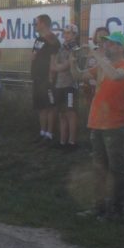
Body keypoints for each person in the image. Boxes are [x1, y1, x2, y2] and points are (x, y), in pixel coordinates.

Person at [71, 32, 124, 221]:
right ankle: (98, 207)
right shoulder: (102, 65)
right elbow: (79, 76)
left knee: (117, 169)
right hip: (97, 122)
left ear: (122, 48)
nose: (108, 46)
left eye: (113, 44)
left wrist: (95, 53)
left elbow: (115, 76)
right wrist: (72, 60)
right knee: (99, 169)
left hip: (115, 124)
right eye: (107, 44)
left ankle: (117, 209)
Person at [31, 14, 60, 145]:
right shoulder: (38, 39)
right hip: (37, 78)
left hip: (47, 78)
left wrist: (51, 77)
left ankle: (49, 134)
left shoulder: (52, 39)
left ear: (43, 23)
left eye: (36, 22)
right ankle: (42, 132)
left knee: (50, 106)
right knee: (41, 107)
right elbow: (33, 56)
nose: (34, 25)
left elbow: (54, 59)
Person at [51, 24, 79, 150]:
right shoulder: (61, 48)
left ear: (74, 35)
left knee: (70, 114)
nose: (65, 35)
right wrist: (57, 66)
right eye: (65, 33)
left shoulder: (76, 49)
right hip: (59, 84)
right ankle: (62, 141)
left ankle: (72, 142)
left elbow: (64, 66)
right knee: (62, 113)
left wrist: (57, 66)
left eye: (68, 33)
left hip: (70, 85)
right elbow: (54, 65)